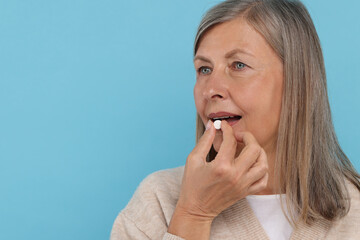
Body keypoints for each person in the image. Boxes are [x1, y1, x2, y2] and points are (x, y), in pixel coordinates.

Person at [110, 0, 360, 239]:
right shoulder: (157, 200)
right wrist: (194, 214)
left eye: (238, 65)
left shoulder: (355, 206)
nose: (211, 90)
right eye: (204, 69)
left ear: (297, 82)